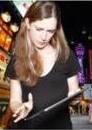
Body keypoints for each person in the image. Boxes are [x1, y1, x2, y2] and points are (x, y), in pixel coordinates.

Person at [6, 1, 81, 129]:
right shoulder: (16, 59)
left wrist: (75, 98)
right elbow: (14, 100)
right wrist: (19, 108)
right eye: (39, 29)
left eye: (50, 31)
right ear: (28, 23)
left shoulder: (66, 56)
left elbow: (74, 92)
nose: (44, 37)